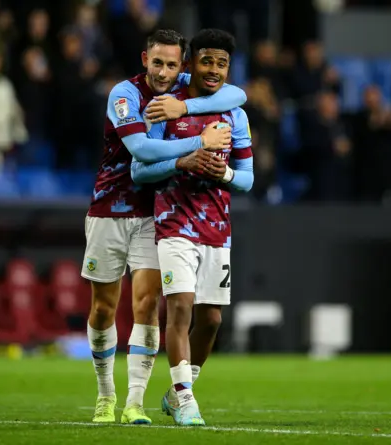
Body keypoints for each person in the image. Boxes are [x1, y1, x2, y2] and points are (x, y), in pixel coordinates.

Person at [82, 28, 247, 425]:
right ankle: (105, 393)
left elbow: (237, 96)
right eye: (158, 63)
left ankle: (134, 402)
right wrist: (197, 145)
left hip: (155, 213)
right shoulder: (125, 94)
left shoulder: (186, 89)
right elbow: (140, 151)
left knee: (146, 307)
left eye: (173, 64)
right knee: (103, 309)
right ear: (145, 59)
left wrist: (184, 112)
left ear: (182, 65)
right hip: (109, 209)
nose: (165, 72)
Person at [130, 28, 254, 426]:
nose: (214, 70)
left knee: (213, 320)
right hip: (174, 221)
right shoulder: (165, 106)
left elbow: (249, 178)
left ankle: (176, 391)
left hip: (217, 226)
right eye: (206, 61)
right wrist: (182, 162)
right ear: (190, 64)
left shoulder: (236, 113)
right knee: (180, 308)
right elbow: (140, 169)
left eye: (222, 63)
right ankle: (186, 400)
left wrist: (226, 173)